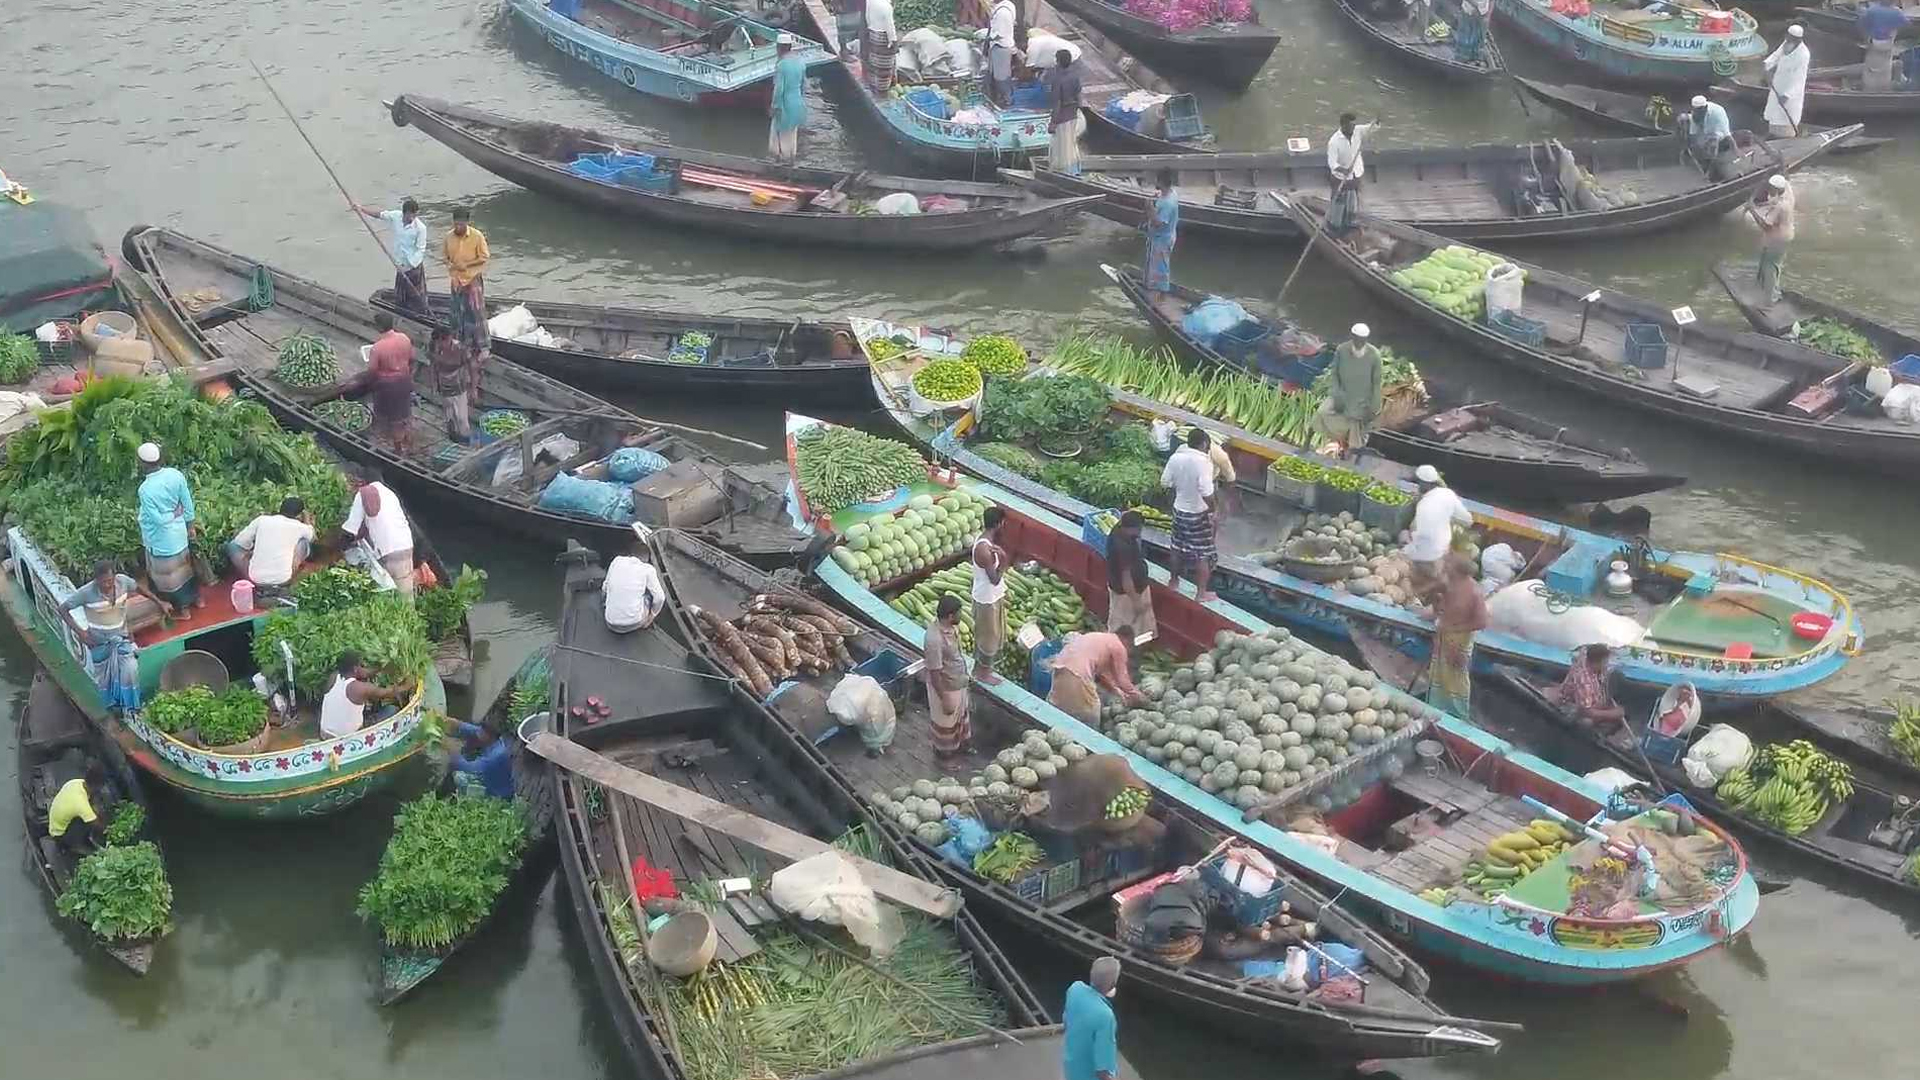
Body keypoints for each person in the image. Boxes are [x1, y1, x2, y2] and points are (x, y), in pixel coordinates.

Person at [61, 561, 170, 712]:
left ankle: (132, 707)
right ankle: (113, 708)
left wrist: (159, 602)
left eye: (110, 580)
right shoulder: (86, 593)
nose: (108, 584)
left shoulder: (123, 582)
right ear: (96, 580)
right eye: (104, 582)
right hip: (99, 641)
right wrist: (82, 633)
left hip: (121, 637)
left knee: (130, 669)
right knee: (105, 678)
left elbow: (140, 589)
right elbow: (63, 609)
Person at [135, 441, 202, 611]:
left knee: (168, 578)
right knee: (186, 570)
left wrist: (172, 515)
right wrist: (190, 526)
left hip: (161, 540)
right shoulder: (175, 475)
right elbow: (187, 503)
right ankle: (196, 600)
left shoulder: (145, 489)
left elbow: (157, 520)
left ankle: (181, 609)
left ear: (142, 463)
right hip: (180, 534)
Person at [1160, 428, 1219, 602]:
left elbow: (1165, 482)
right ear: (1204, 444)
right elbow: (1206, 490)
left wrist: (1182, 487)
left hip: (1179, 510)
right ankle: (1201, 593)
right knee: (1203, 554)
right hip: (1197, 513)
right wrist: (1214, 509)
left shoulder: (1175, 457)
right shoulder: (1204, 462)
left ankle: (1173, 581)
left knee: (1177, 547)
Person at [1427, 554, 1487, 718]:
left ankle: (1459, 714)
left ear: (1459, 571)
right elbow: (1437, 603)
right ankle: (1435, 708)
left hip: (1460, 640)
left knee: (1456, 676)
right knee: (1438, 672)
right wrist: (1435, 613)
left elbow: (1481, 622)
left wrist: (1455, 628)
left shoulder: (1475, 592)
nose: (1445, 567)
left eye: (1448, 565)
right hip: (1442, 636)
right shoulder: (1446, 584)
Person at [341, 470, 417, 599]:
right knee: (406, 591)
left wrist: (340, 549)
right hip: (406, 546)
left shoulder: (364, 493)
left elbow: (351, 529)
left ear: (363, 482)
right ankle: (410, 615)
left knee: (393, 593)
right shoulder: (390, 493)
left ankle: (399, 615)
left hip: (389, 550)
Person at [442, 207, 491, 403]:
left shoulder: (477, 237)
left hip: (472, 280)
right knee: (457, 315)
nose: (458, 226)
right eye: (456, 223)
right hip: (456, 281)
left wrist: (467, 266)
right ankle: (461, 341)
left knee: (477, 314)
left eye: (462, 224)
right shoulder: (448, 237)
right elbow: (445, 257)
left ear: (467, 223)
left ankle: (483, 345)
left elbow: (484, 257)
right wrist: (453, 268)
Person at [1048, 628, 1144, 724]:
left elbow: (1100, 676)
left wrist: (1116, 691)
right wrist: (1139, 697)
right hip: (1077, 674)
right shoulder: (1118, 646)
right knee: (1090, 714)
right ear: (1127, 641)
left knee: (1059, 709)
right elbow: (1122, 680)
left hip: (1059, 669)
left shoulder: (1098, 637)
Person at [1316, 323, 1385, 457]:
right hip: (1343, 392)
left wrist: (1374, 406)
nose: (1360, 341)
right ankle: (1334, 440)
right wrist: (1337, 395)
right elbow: (1335, 374)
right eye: (1357, 337)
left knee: (1355, 419)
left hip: (1362, 396)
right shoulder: (1342, 350)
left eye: (1362, 338)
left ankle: (1350, 449)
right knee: (1322, 412)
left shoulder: (1374, 355)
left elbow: (1376, 383)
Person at [355, 198, 430, 316]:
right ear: (404, 213)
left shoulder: (420, 228)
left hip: (413, 267)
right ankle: (401, 315)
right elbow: (379, 215)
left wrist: (410, 266)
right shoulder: (395, 216)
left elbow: (420, 250)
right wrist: (361, 209)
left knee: (417, 298)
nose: (411, 218)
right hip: (400, 265)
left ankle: (420, 316)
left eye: (414, 215)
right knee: (400, 296)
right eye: (409, 215)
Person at [920, 595, 974, 761]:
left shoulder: (952, 627)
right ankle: (944, 756)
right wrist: (944, 698)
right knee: (945, 724)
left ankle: (963, 746)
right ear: (950, 616)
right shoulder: (934, 639)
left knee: (960, 718)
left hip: (958, 682)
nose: (961, 615)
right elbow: (934, 673)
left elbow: (955, 655)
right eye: (959, 613)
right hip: (946, 686)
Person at [1404, 464, 1471, 595]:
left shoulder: (1424, 504)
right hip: (1441, 551)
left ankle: (1417, 592)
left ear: (1425, 484)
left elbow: (1417, 532)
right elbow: (1468, 520)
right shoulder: (1447, 494)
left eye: (1419, 483)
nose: (1417, 486)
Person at [320, 650, 417, 739]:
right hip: (348, 739)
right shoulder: (360, 688)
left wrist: (381, 668)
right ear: (355, 669)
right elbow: (389, 693)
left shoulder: (333, 677)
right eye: (360, 665)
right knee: (391, 709)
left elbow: (364, 673)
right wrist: (406, 686)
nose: (363, 668)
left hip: (325, 734)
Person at [226, 497, 316, 593]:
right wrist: (307, 521)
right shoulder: (300, 527)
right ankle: (290, 576)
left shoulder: (262, 520)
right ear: (299, 515)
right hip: (282, 579)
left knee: (232, 546)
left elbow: (241, 542)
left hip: (255, 578)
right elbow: (313, 537)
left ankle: (251, 581)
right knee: (304, 542)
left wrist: (253, 552)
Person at [1062, 956, 1121, 1080]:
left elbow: (1066, 1021)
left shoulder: (1075, 989)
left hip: (1072, 1066)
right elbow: (1102, 1067)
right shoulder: (1106, 1016)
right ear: (1113, 984)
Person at [365, 311, 416, 453]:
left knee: (393, 419)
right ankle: (409, 442)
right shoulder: (404, 338)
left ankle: (398, 449)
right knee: (405, 413)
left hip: (388, 386)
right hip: (404, 381)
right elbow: (412, 359)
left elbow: (372, 371)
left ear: (379, 327)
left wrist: (371, 384)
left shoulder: (377, 348)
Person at [971, 506, 1010, 684]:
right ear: (1000, 524)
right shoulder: (984, 550)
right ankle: (983, 674)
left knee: (989, 635)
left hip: (991, 597)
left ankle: (980, 669)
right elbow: (994, 579)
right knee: (989, 638)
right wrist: (1004, 561)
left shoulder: (986, 543)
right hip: (986, 599)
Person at [1547, 643, 1626, 728]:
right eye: (1605, 662)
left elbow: (1585, 648)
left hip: (1587, 698)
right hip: (1572, 706)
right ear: (1597, 663)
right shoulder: (1584, 682)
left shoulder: (1585, 656)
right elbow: (1586, 712)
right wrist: (1613, 714)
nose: (1607, 665)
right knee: (1587, 722)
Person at [1105, 510, 1156, 639]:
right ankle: (1120, 648)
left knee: (1141, 625)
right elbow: (1126, 579)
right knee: (1123, 625)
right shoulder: (1121, 547)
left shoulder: (1120, 528)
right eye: (1138, 529)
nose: (1140, 532)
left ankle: (1140, 643)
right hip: (1126, 593)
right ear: (1130, 528)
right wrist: (1136, 600)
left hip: (1136, 585)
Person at [1747, 174, 1795, 304]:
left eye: (1771, 188)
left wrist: (1752, 210)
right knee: (1774, 264)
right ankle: (1768, 290)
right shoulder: (1787, 196)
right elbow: (1773, 202)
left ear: (1775, 189)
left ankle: (1770, 299)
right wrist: (1763, 203)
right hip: (1787, 235)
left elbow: (1766, 225)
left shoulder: (1779, 206)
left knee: (1770, 267)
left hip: (1777, 239)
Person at [1326, 112, 1377, 237]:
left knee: (1352, 201)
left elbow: (1370, 128)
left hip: (1356, 174)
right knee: (1339, 203)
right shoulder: (1334, 142)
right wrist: (1343, 170)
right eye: (1350, 125)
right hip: (1340, 178)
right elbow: (1332, 163)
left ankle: (1350, 223)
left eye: (1354, 125)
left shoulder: (1358, 131)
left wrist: (1377, 122)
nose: (1353, 128)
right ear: (1343, 125)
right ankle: (1334, 227)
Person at [603, 543, 666, 633]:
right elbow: (660, 598)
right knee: (649, 595)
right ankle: (646, 622)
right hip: (635, 624)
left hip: (610, 622)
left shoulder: (617, 561)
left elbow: (605, 587)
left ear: (630, 554)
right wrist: (652, 615)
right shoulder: (648, 569)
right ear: (648, 559)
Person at [1761, 25, 1810, 138]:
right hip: (1778, 84)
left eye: (1792, 38)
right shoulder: (1786, 44)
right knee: (1774, 114)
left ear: (1798, 40)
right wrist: (1766, 66)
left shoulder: (1803, 55)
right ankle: (1773, 136)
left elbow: (1800, 79)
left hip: (1791, 92)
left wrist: (1787, 95)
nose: (1788, 40)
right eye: (1788, 37)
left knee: (1786, 118)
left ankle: (1786, 138)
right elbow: (1775, 56)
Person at [446, 719, 515, 799]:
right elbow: (474, 730)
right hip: (498, 778)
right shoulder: (497, 741)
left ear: (488, 735)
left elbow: (469, 767)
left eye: (481, 731)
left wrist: (452, 752)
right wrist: (457, 724)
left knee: (459, 776)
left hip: (498, 793)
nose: (478, 732)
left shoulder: (495, 756)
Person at [429, 327, 473, 443]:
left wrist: (473, 388)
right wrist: (433, 385)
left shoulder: (460, 348)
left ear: (449, 338)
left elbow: (471, 366)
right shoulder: (433, 348)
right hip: (444, 388)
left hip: (459, 387)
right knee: (450, 417)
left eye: (443, 340)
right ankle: (453, 439)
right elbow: (433, 366)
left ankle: (466, 441)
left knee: (462, 418)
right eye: (438, 342)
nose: (441, 344)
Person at [48, 765, 105, 855]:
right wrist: (108, 830)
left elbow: (92, 801)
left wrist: (95, 808)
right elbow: (97, 824)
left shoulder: (76, 782)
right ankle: (73, 846)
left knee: (90, 813)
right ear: (95, 786)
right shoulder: (81, 805)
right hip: (59, 834)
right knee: (89, 823)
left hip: (55, 822)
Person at [1045, 48, 1085, 175]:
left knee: (1061, 148)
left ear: (1059, 62)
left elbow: (1057, 104)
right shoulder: (1075, 76)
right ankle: (1075, 170)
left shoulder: (1058, 80)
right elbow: (1079, 98)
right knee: (1071, 145)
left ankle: (1065, 173)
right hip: (1073, 115)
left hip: (1062, 117)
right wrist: (1077, 110)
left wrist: (1053, 123)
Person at [770, 33, 807, 163]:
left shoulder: (781, 65)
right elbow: (803, 85)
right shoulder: (800, 62)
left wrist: (774, 106)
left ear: (779, 48)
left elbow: (779, 89)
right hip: (797, 102)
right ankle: (792, 163)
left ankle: (783, 168)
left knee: (781, 139)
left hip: (785, 104)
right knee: (792, 137)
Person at [1858, 2, 1910, 91]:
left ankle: (1869, 89)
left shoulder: (1871, 10)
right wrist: (1894, 28)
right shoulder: (1896, 12)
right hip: (1888, 42)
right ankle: (1883, 89)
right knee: (1885, 67)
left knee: (1871, 68)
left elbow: (1861, 24)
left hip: (1874, 42)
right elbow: (1907, 24)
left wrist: (1866, 38)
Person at [1143, 169, 1180, 293]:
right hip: (1165, 236)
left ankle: (1161, 291)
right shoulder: (1171, 193)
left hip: (1162, 239)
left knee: (1161, 266)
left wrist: (1150, 209)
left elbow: (1158, 223)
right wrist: (1157, 196)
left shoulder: (1168, 203)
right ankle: (1152, 284)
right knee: (1156, 264)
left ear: (1160, 182)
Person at [1678, 94, 1731, 166]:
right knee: (1682, 118)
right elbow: (1693, 131)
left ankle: (1711, 165)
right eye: (1695, 109)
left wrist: (1736, 149)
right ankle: (1690, 154)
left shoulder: (1718, 112)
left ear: (1705, 107)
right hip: (1704, 130)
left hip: (1718, 131)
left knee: (1713, 139)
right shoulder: (1696, 112)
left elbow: (1726, 133)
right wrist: (1689, 144)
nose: (1696, 111)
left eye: (1699, 110)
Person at [985, 0, 1020, 106]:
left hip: (1000, 46)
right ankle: (1001, 98)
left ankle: (1006, 100)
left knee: (1001, 77)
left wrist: (988, 38)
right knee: (1000, 75)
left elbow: (999, 33)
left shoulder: (1002, 13)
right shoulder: (1007, 7)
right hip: (1002, 45)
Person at [864, 0, 898, 90]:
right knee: (885, 66)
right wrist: (893, 41)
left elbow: (867, 17)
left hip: (873, 33)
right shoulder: (886, 6)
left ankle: (873, 83)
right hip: (884, 37)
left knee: (875, 62)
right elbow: (890, 26)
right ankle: (882, 88)